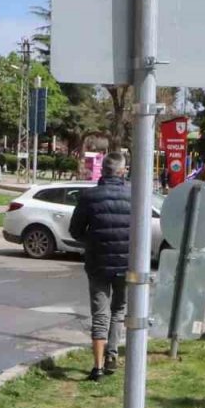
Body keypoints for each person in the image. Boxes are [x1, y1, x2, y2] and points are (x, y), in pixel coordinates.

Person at [69, 152, 131, 381]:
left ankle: (97, 367)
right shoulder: (133, 195)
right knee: (119, 309)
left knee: (100, 314)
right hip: (126, 265)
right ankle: (112, 356)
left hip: (97, 264)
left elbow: (74, 231)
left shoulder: (89, 197)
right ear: (122, 171)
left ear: (103, 170)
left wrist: (94, 241)